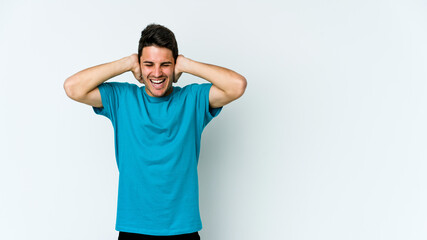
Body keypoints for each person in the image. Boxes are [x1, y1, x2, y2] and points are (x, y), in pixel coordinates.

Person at [63, 23, 247, 240]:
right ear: (139, 66)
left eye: (165, 64)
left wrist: (187, 64)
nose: (157, 73)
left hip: (182, 229)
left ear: (175, 65)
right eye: (148, 64)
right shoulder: (123, 98)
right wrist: (127, 62)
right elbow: (72, 87)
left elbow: (237, 85)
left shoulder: (192, 99)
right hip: (134, 229)